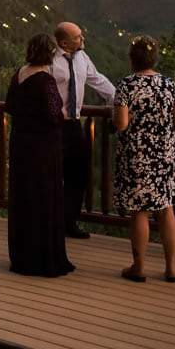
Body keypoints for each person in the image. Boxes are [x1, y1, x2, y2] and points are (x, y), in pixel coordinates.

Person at [111, 36, 175, 283]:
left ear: (132, 59)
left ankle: (139, 267)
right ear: (155, 58)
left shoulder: (126, 85)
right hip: (164, 154)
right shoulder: (168, 84)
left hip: (136, 155)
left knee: (139, 211)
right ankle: (171, 268)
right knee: (166, 209)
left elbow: (121, 124)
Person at [6, 34, 74, 277]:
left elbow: (9, 106)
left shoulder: (20, 74)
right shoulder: (45, 80)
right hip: (43, 148)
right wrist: (65, 113)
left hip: (20, 144)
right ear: (49, 53)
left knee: (24, 197)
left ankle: (22, 255)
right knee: (44, 198)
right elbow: (55, 114)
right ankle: (42, 258)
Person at [51, 22, 113, 239]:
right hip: (53, 125)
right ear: (64, 43)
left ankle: (70, 222)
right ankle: (51, 222)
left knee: (77, 174)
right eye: (78, 36)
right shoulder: (50, 59)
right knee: (51, 174)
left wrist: (119, 100)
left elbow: (98, 80)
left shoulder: (82, 58)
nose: (82, 39)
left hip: (74, 125)